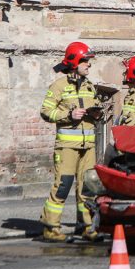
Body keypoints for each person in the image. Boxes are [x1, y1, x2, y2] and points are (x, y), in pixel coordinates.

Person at [39, 41, 102, 242]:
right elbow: (46, 112)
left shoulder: (89, 86)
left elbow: (95, 108)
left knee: (87, 188)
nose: (89, 65)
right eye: (85, 61)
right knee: (63, 185)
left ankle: (86, 227)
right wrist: (69, 115)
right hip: (67, 147)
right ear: (75, 62)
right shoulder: (59, 86)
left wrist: (97, 114)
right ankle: (51, 228)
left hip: (88, 146)